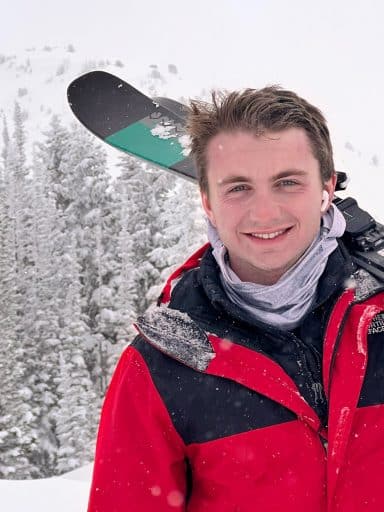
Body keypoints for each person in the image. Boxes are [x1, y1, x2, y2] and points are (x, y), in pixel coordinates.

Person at [87, 87, 384, 511]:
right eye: (238, 188)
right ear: (207, 202)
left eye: (287, 182)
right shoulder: (159, 369)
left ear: (327, 187)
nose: (264, 213)